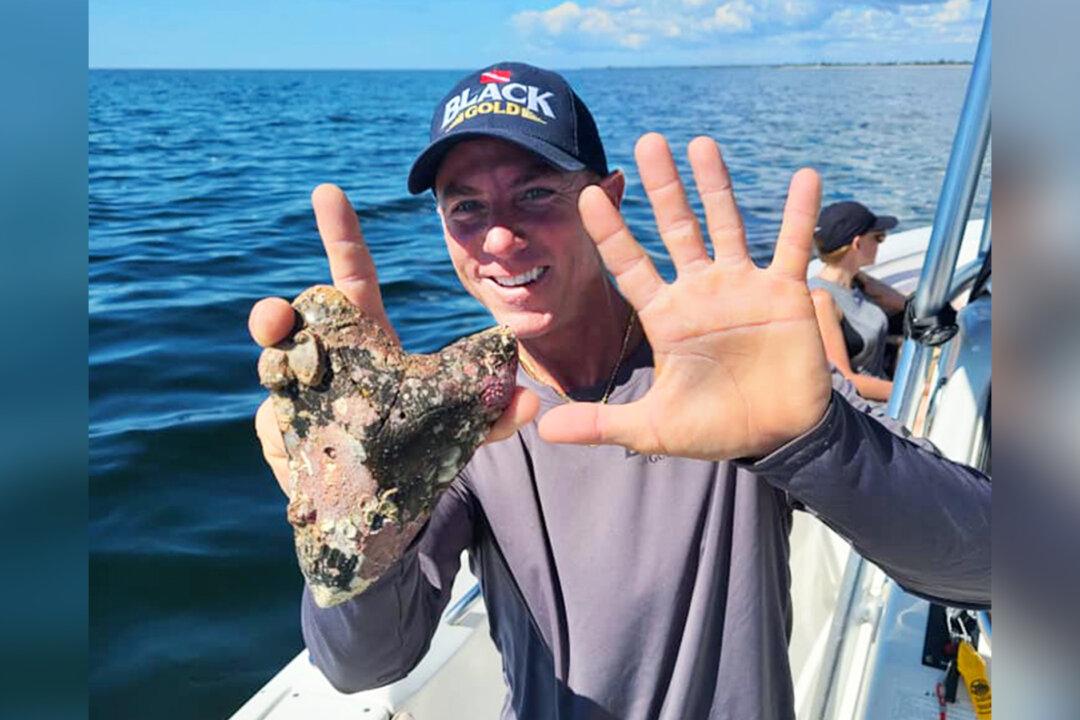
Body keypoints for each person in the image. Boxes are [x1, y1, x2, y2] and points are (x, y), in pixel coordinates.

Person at [249, 62, 991, 720]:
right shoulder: (462, 418)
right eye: (465, 206)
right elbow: (364, 665)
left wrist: (814, 441)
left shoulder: (724, 366)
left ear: (606, 199)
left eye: (536, 193)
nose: (499, 239)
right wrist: (348, 525)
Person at [809, 201, 909, 402]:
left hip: (886, 388)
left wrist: (867, 281)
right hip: (868, 407)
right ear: (857, 244)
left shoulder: (857, 284)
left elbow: (910, 308)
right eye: (878, 237)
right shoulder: (822, 300)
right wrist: (913, 392)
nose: (881, 243)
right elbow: (845, 380)